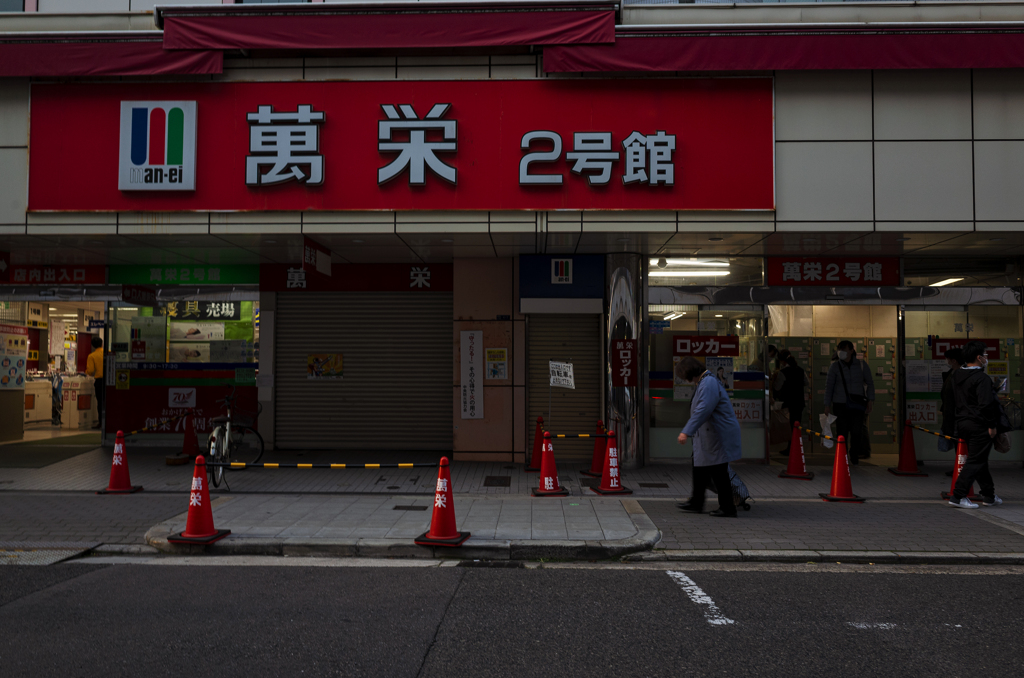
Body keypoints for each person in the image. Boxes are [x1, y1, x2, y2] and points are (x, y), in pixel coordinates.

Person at [676, 356, 742, 517]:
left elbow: (704, 409)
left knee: (718, 471)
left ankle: (727, 507)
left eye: (685, 376)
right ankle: (696, 502)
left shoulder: (709, 382)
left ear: (690, 372)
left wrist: (687, 431)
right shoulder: (705, 381)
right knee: (699, 468)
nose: (686, 380)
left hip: (714, 435)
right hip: (707, 435)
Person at [948, 341, 1003, 509]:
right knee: (975, 460)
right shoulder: (982, 379)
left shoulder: (957, 375)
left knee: (980, 460)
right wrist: (992, 426)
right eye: (985, 355)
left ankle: (989, 495)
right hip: (980, 424)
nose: (987, 358)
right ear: (979, 358)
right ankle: (958, 496)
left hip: (963, 423)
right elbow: (985, 404)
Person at [823, 340, 875, 464]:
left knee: (857, 431)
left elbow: (870, 383)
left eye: (845, 350)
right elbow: (829, 386)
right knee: (842, 431)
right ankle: (843, 456)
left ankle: (854, 453)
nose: (842, 352)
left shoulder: (861, 365)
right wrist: (827, 404)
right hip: (840, 403)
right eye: (840, 350)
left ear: (851, 350)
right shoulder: (835, 366)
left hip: (857, 403)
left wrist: (870, 400)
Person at [775, 354, 807, 456]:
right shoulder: (801, 370)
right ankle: (796, 448)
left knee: (789, 427)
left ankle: (791, 449)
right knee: (797, 426)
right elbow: (807, 382)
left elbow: (777, 387)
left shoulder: (783, 372)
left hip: (788, 403)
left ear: (783, 362)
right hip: (799, 402)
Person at [940, 348, 964, 474]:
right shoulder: (952, 373)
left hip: (957, 415)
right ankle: (959, 467)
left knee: (960, 442)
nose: (946, 361)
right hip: (951, 414)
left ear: (953, 360)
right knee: (956, 442)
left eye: (947, 358)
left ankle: (961, 469)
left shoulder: (960, 375)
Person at [85, 336, 104, 430]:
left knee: (100, 403)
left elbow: (90, 371)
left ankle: (101, 423)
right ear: (102, 344)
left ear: (93, 346)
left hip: (99, 382)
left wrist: (85, 372)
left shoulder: (92, 356)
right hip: (110, 381)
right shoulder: (108, 353)